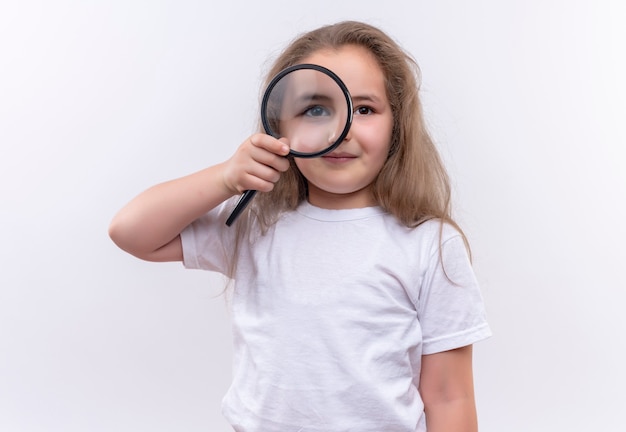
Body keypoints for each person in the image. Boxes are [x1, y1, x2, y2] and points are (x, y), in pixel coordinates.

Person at [109, 20, 491, 432]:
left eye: (364, 109)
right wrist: (224, 178)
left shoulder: (428, 243)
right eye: (315, 109)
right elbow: (130, 230)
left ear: (396, 125)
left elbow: (450, 396)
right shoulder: (254, 226)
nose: (339, 130)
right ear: (280, 129)